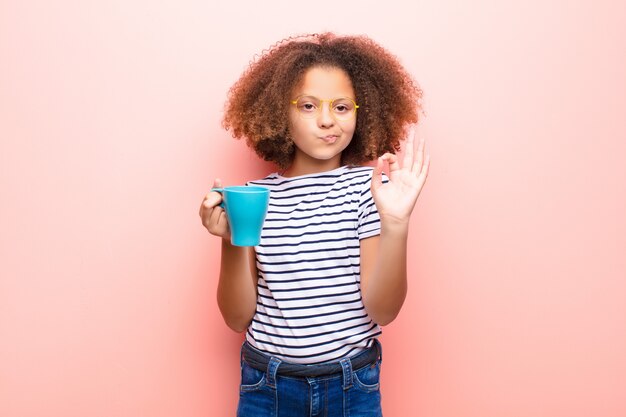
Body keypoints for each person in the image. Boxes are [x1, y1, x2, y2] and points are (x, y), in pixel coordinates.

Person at [199, 32, 430, 417]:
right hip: (267, 387)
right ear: (278, 112)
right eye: (308, 105)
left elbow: (383, 311)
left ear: (363, 112)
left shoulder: (370, 191)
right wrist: (231, 238)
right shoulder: (254, 197)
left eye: (342, 107)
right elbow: (236, 317)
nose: (327, 120)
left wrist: (395, 225)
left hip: (351, 386)